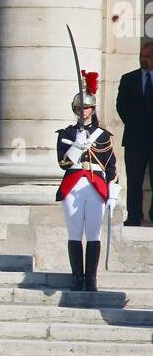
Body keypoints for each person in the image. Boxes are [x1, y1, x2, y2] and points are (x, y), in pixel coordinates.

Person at [56, 71, 118, 292]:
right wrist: (76, 146)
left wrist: (113, 193)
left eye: (87, 108)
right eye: (79, 108)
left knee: (93, 233)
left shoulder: (102, 135)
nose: (83, 111)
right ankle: (77, 278)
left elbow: (111, 167)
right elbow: (62, 163)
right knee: (74, 232)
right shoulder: (66, 132)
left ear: (93, 109)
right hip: (73, 184)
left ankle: (90, 279)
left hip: (95, 185)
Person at [115, 42, 153, 226]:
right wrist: (134, 124)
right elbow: (121, 106)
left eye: (147, 57)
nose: (143, 60)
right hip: (135, 140)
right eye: (141, 56)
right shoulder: (128, 79)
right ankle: (134, 216)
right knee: (134, 180)